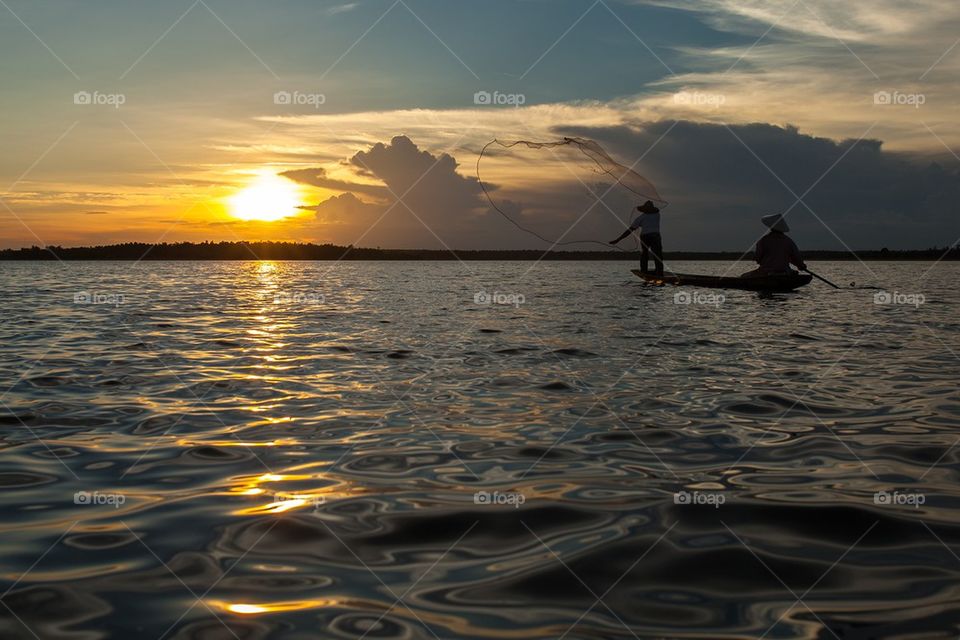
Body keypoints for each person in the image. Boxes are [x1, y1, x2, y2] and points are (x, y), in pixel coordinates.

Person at [741, 214, 807, 277]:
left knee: (743, 276)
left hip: (765, 272)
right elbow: (796, 258)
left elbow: (758, 259)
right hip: (785, 271)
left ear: (771, 227)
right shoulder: (789, 241)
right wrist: (801, 266)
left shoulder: (763, 240)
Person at [610, 200, 663, 276]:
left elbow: (630, 230)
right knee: (657, 254)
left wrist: (618, 239)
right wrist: (618, 239)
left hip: (645, 236)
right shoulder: (657, 214)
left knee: (645, 253)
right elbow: (655, 210)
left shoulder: (641, 218)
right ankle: (659, 272)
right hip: (655, 236)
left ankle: (644, 271)